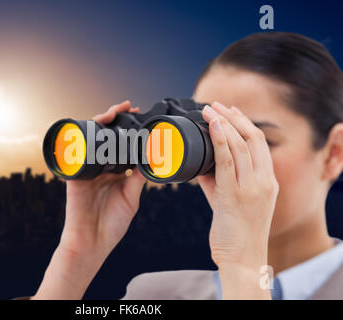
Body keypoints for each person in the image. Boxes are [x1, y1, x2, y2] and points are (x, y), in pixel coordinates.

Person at [29, 32, 343, 300]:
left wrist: (244, 271)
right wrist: (76, 257)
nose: (226, 161)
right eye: (207, 139)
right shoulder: (154, 293)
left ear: (335, 153)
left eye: (254, 139)